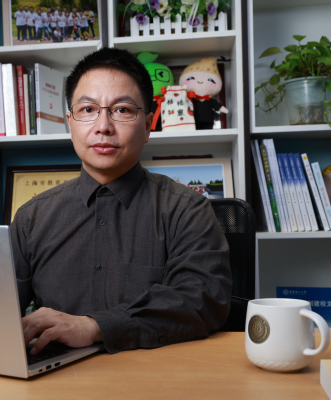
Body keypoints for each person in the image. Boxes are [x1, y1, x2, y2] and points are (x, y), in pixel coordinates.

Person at [12, 47, 231, 356]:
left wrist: (95, 326)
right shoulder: (30, 218)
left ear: (148, 125)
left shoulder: (187, 209)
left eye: (123, 110)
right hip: (54, 376)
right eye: (88, 109)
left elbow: (203, 299)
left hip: (155, 376)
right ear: (69, 123)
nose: (103, 125)